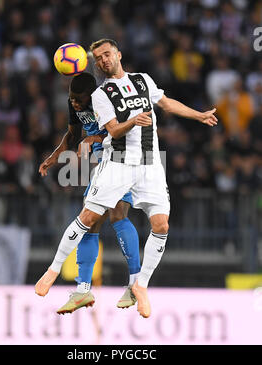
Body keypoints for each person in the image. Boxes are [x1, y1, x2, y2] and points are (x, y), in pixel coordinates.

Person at [36, 39, 217, 318]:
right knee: (94, 220)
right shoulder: (93, 96)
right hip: (115, 163)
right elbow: (94, 132)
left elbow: (164, 104)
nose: (103, 60)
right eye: (98, 58)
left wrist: (199, 115)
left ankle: (129, 284)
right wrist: (58, 154)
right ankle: (74, 279)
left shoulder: (136, 82)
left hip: (147, 163)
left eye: (107, 54)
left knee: (128, 220)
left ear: (118, 54)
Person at [35, 72, 140, 314]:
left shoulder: (107, 100)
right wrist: (54, 157)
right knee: (90, 223)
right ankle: (84, 288)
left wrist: (94, 136)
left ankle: (134, 282)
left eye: (79, 99)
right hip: (104, 163)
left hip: (122, 158)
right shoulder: (75, 104)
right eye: (72, 98)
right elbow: (72, 135)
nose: (74, 103)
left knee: (116, 215)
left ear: (92, 95)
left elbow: (121, 130)